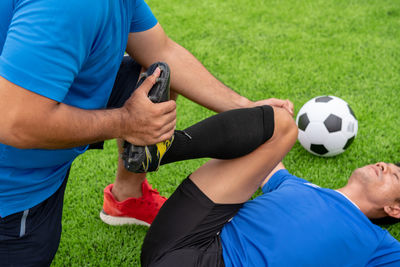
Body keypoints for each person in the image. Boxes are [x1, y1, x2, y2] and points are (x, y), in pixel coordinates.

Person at [0, 0, 293, 265]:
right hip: (12, 179)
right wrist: (126, 122)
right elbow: (16, 122)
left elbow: (161, 51)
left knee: (155, 76)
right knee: (32, 248)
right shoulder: (73, 6)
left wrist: (243, 106)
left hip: (26, 105)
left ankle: (127, 196)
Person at [140, 105, 400, 266]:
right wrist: (259, 112)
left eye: (395, 177)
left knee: (282, 127)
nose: (383, 165)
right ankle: (160, 148)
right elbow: (269, 154)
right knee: (282, 125)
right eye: (389, 165)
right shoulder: (298, 185)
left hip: (220, 263)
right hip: (184, 236)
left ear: (394, 210)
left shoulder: (378, 245)